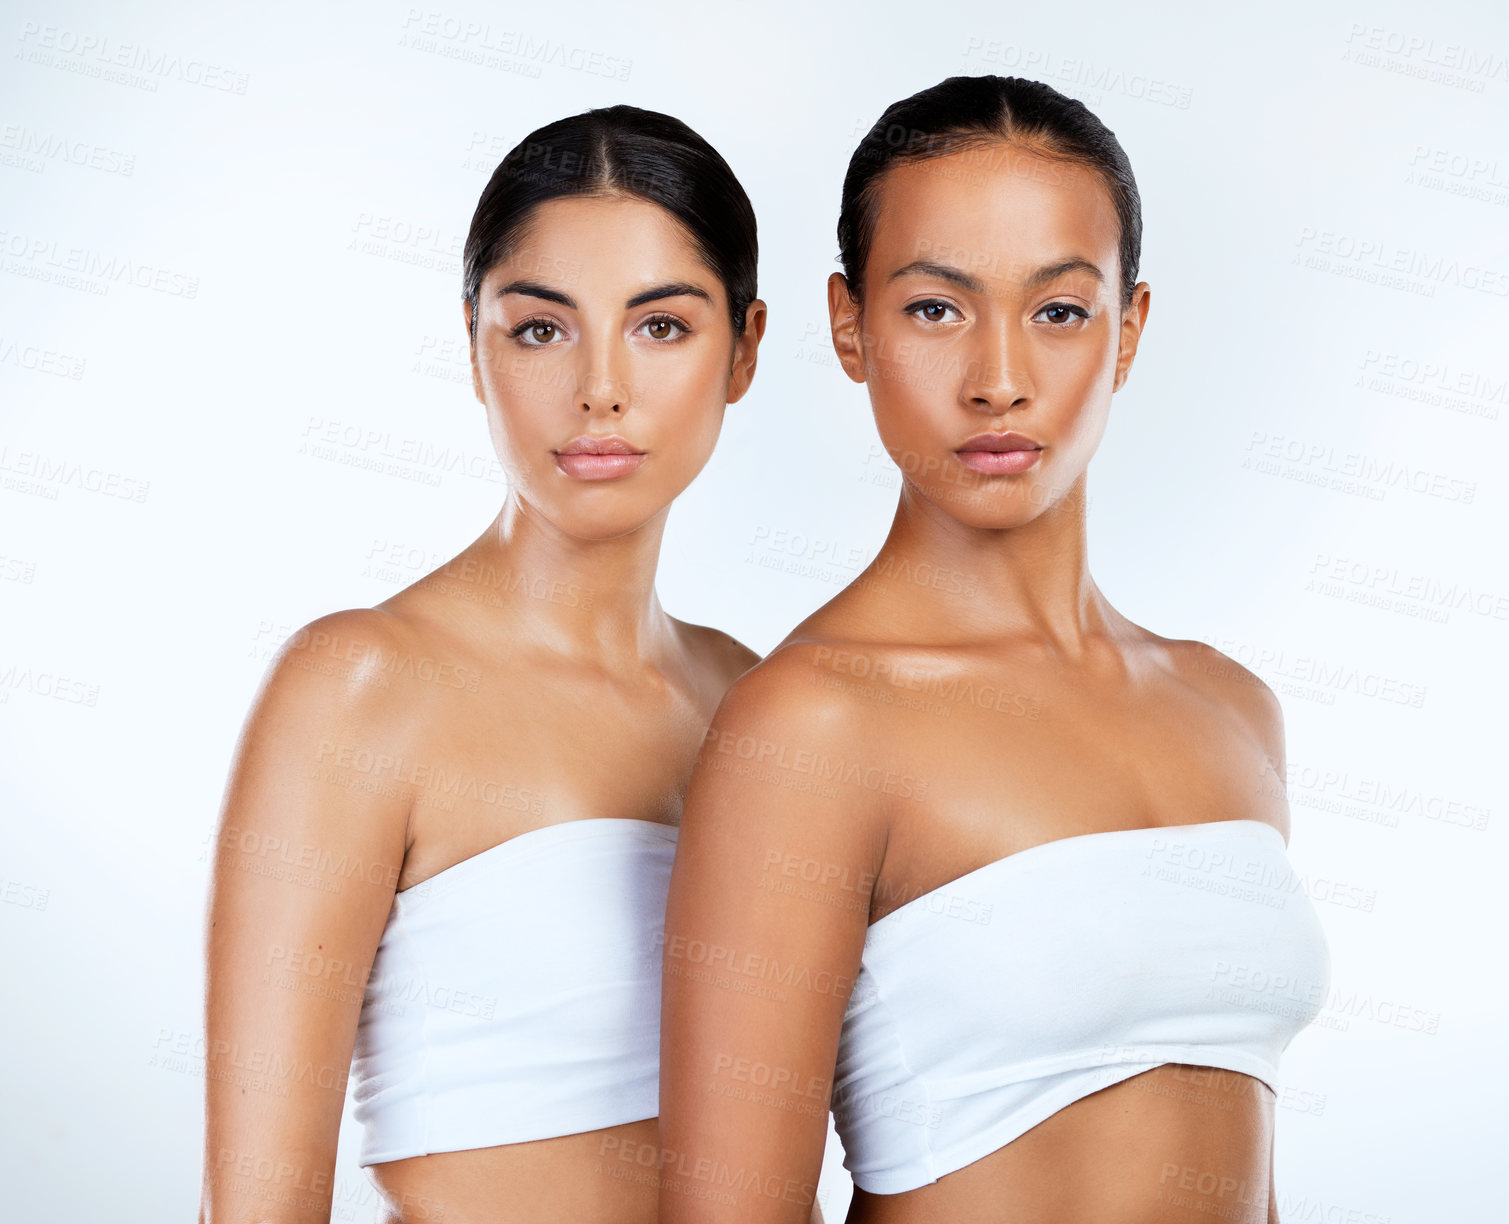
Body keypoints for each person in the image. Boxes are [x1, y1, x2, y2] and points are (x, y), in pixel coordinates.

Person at [658, 76, 1330, 1224]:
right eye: (935, 308)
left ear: (1129, 330)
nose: (999, 379)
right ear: (847, 325)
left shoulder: (1229, 708)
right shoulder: (814, 724)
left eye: (1059, 311)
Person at [200, 104, 768, 1224]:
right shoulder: (363, 686)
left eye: (660, 327)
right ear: (472, 346)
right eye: (540, 329)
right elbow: (257, 1203)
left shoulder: (753, 698)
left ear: (744, 349)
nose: (599, 388)